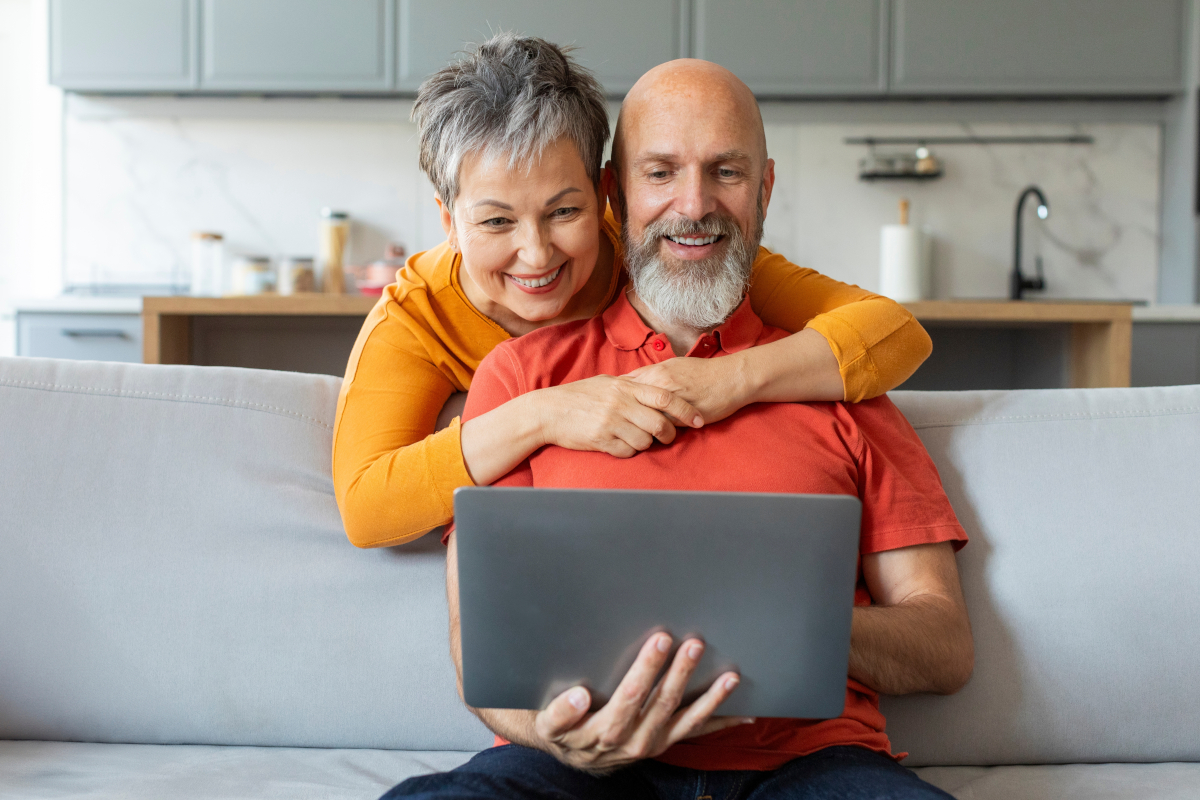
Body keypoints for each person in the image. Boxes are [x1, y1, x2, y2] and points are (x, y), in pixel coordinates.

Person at [381, 59, 974, 800]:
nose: (693, 206)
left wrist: (783, 624)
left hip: (807, 768)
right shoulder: (519, 379)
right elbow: (483, 657)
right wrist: (559, 732)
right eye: (660, 172)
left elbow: (943, 646)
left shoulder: (842, 382)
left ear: (764, 189)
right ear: (614, 194)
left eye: (726, 171)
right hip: (575, 771)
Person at [333, 34, 933, 549]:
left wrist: (722, 382)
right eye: (495, 222)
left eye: (564, 211)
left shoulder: (663, 244)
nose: (537, 253)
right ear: (448, 220)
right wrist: (543, 413)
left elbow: (891, 332)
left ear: (604, 197)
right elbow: (366, 507)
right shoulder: (415, 318)